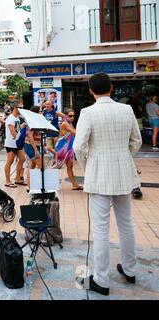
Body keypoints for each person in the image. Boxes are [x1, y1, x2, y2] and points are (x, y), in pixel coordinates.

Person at [74, 73, 142, 296]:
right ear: (112, 88)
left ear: (91, 91)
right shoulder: (127, 110)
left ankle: (101, 280)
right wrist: (123, 156)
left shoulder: (88, 112)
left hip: (99, 176)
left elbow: (78, 147)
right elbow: (137, 141)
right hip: (123, 174)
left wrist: (88, 166)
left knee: (101, 229)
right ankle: (130, 270)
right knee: (126, 223)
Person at [55, 109, 83, 190]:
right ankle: (47, 183)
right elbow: (74, 132)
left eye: (73, 116)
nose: (72, 117)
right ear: (66, 116)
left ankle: (75, 185)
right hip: (62, 148)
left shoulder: (69, 123)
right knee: (57, 166)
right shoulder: (65, 124)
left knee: (70, 166)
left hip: (69, 148)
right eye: (70, 116)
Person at [4, 104, 26, 188]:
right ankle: (7, 181)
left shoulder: (17, 118)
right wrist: (18, 136)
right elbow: (12, 131)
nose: (21, 109)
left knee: (22, 158)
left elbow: (16, 129)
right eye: (20, 108)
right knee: (9, 162)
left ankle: (17, 178)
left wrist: (21, 127)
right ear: (15, 108)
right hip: (11, 143)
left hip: (17, 143)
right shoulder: (10, 118)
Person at [23, 106, 44, 192]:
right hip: (31, 146)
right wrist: (35, 150)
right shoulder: (31, 121)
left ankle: (29, 186)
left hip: (31, 145)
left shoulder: (32, 120)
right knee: (42, 166)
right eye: (40, 111)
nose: (41, 112)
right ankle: (41, 186)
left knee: (31, 166)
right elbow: (30, 136)